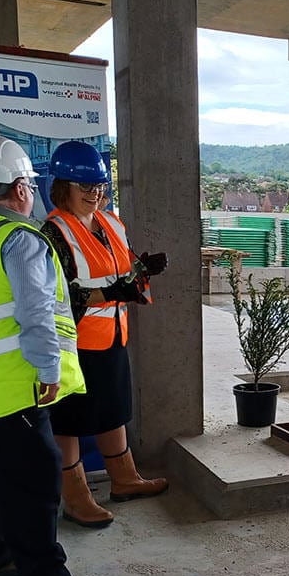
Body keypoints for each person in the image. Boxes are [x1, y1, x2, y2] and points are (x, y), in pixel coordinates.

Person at [0, 135, 97, 576]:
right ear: (18, 188)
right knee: (35, 484)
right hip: (16, 386)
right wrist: (49, 367)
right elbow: (36, 312)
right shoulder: (20, 239)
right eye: (29, 185)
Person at [41, 140, 168, 527]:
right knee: (68, 421)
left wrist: (141, 272)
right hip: (73, 343)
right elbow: (58, 293)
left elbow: (122, 272)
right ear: (63, 187)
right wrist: (113, 291)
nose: (94, 193)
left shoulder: (112, 223)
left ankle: (125, 479)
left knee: (114, 411)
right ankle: (76, 497)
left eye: (98, 185)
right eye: (85, 187)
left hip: (112, 337)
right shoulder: (54, 232)